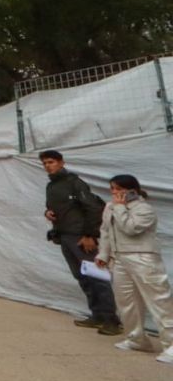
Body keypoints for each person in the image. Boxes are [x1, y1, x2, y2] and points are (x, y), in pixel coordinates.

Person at [40, 150, 121, 335]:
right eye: (44, 163)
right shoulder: (52, 186)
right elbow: (53, 207)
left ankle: (111, 321)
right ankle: (97, 316)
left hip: (81, 239)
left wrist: (89, 235)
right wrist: (47, 212)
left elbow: (93, 209)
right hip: (65, 236)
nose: (47, 166)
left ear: (61, 162)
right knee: (82, 277)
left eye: (51, 162)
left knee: (97, 278)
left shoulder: (74, 183)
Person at [95, 175, 173, 363]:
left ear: (133, 190)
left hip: (144, 257)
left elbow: (130, 228)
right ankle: (137, 338)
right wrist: (103, 255)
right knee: (126, 301)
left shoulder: (144, 209)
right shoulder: (110, 207)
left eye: (119, 189)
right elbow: (105, 232)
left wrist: (120, 207)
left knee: (159, 301)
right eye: (112, 189)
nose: (115, 193)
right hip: (120, 258)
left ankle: (171, 343)